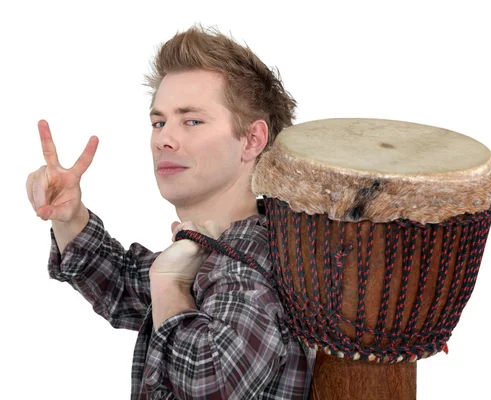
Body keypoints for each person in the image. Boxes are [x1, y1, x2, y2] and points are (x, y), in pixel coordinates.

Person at [26, 25, 314, 400]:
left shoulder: (250, 264)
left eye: (191, 121)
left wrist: (171, 288)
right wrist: (69, 215)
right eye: (159, 121)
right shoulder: (221, 247)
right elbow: (124, 286)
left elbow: (207, 385)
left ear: (252, 140)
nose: (163, 138)